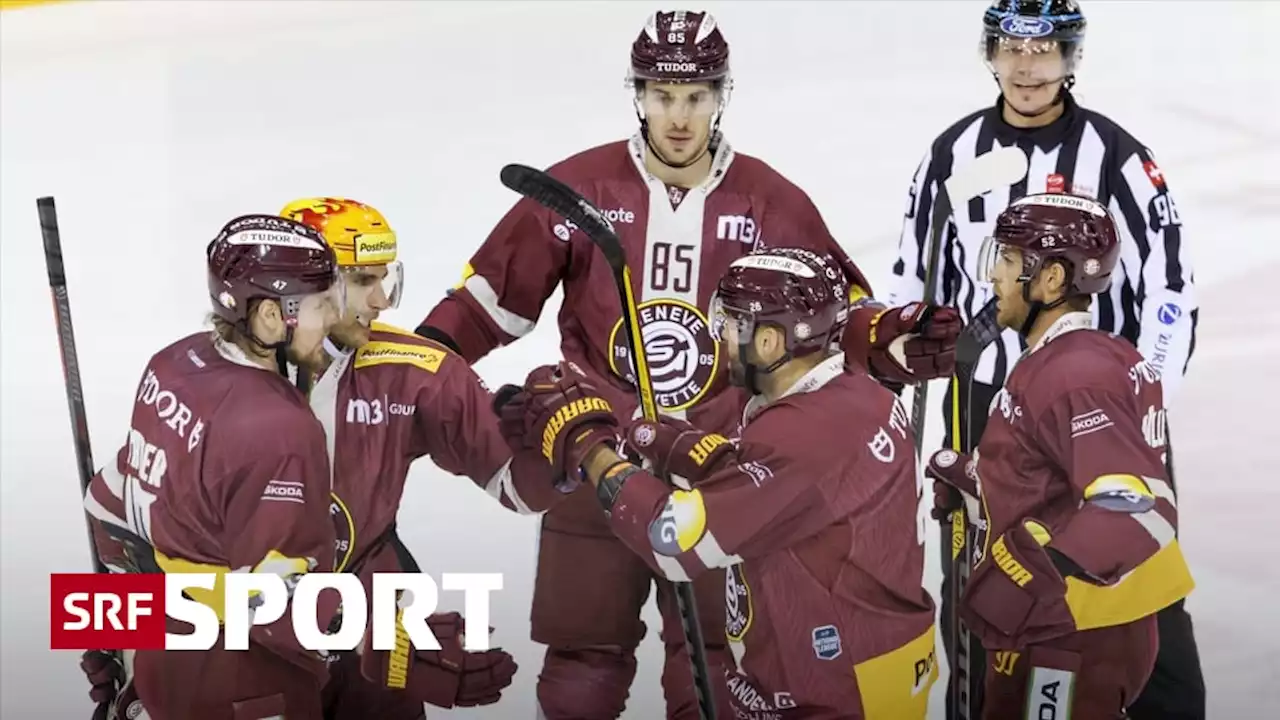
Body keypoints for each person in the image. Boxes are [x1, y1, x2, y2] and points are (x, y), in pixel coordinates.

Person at [416, 11, 961, 718]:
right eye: (662, 95)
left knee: (711, 666)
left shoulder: (772, 202)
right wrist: (415, 374)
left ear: (722, 94)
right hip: (588, 444)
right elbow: (482, 304)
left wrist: (888, 336)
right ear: (637, 92)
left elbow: (835, 313)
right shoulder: (578, 191)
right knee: (580, 664)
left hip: (723, 468)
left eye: (697, 95)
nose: (679, 115)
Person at [886, 2, 1203, 717]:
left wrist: (1140, 395)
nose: (1028, 66)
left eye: (1046, 49)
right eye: (1011, 47)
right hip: (986, 403)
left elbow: (1170, 293)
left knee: (1134, 569)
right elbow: (915, 284)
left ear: (1071, 57)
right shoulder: (950, 154)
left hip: (1094, 403)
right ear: (990, 53)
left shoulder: (1117, 156)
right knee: (985, 582)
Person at [495, 247, 939, 718]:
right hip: (874, 661)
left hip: (833, 690)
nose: (718, 337)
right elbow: (792, 498)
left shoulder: (801, 436)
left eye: (730, 323)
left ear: (770, 342)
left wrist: (590, 449)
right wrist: (660, 439)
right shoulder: (857, 393)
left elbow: (672, 539)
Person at [927, 193, 1195, 718]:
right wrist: (985, 485)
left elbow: (1139, 506)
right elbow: (1056, 476)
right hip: (1066, 625)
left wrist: (1037, 568)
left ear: (1050, 279)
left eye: (1008, 261)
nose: (995, 278)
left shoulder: (1075, 376)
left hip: (1072, 633)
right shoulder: (1082, 358)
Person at [79, 214, 347, 719]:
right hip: (245, 680)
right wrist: (391, 640)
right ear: (271, 316)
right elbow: (282, 607)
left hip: (165, 657)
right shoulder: (281, 427)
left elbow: (110, 498)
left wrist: (115, 630)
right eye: (319, 305)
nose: (331, 318)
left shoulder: (171, 363)